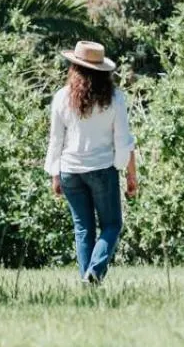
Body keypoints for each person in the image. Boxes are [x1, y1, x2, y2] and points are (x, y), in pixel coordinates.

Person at [45, 41, 137, 284]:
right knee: (112, 224)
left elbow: (56, 140)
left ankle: (88, 281)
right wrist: (125, 171)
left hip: (70, 171)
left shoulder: (61, 98)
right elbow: (122, 139)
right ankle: (94, 273)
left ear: (75, 68)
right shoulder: (115, 99)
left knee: (83, 229)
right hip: (101, 170)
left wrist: (55, 174)